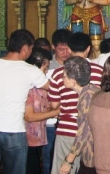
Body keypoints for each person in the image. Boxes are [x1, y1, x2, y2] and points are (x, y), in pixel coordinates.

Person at [0, 29, 49, 174]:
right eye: (31, 48)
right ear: (24, 49)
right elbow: (51, 88)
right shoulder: (30, 70)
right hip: (13, 130)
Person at [49, 33, 103, 174]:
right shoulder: (100, 71)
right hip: (93, 133)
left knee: (63, 169)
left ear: (69, 48)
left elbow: (54, 105)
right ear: (88, 48)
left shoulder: (58, 72)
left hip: (67, 130)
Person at [59, 56, 100, 174]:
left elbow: (85, 130)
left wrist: (69, 160)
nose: (62, 79)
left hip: (93, 155)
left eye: (64, 76)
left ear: (73, 81)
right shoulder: (91, 90)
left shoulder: (87, 96)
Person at [24, 48, 60, 174]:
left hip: (37, 136)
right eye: (45, 69)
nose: (45, 73)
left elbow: (44, 107)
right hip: (26, 138)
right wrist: (55, 112)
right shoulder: (27, 86)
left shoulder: (40, 86)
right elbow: (29, 116)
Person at [44, 29, 73, 174]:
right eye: (61, 49)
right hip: (49, 121)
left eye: (68, 48)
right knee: (49, 158)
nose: (66, 52)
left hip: (69, 121)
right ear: (53, 47)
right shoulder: (48, 66)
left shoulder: (74, 66)